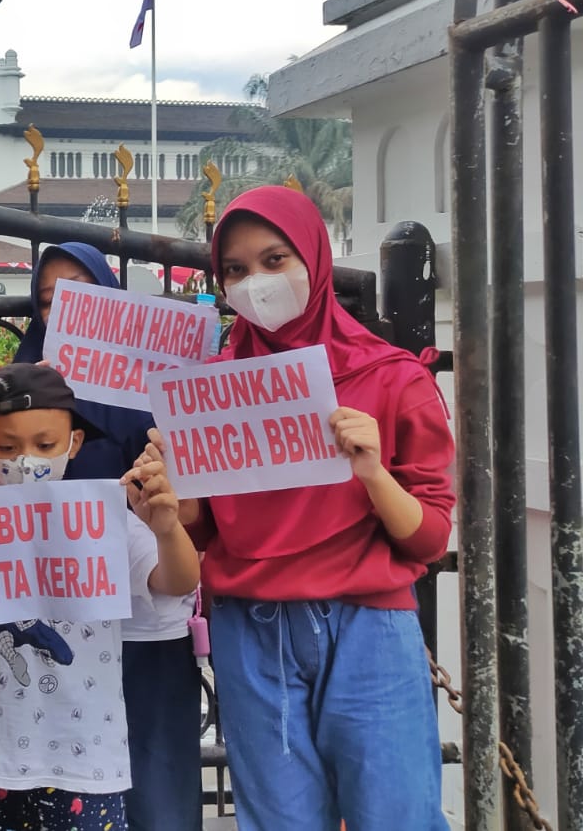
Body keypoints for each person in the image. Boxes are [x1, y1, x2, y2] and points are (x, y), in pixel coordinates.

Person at [154, 186, 455, 830]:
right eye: (235, 270)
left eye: (274, 260)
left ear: (314, 259)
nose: (256, 284)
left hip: (369, 627)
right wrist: (175, 498)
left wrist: (373, 473)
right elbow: (204, 531)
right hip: (251, 633)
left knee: (396, 816)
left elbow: (429, 540)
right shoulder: (211, 391)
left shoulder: (393, 378)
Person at [0, 362, 201, 831]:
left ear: (75, 442)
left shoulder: (104, 517)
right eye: (7, 447)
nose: (26, 460)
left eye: (45, 445)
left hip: (87, 756)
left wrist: (167, 530)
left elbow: (176, 581)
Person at [16, 241, 203, 831]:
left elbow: (191, 516)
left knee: (157, 793)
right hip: (61, 636)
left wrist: (163, 486)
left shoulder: (156, 394)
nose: (65, 314)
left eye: (83, 296)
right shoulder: (20, 392)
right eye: (50, 302)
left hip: (145, 629)